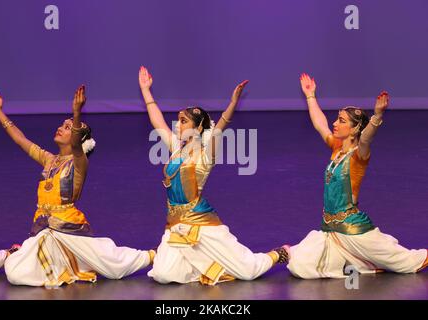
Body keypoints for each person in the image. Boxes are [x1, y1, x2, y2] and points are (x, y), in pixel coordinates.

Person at [0, 84, 154, 287]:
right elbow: (20, 140)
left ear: (79, 140)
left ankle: (153, 256)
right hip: (44, 229)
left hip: (70, 230)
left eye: (67, 127)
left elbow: (75, 145)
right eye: (63, 125)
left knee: (113, 266)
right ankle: (60, 263)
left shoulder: (79, 163)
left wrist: (76, 113)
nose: (61, 128)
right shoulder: (49, 160)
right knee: (15, 271)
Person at [138, 66, 288, 285]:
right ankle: (203, 264)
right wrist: (146, 90)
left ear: (198, 128)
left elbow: (220, 128)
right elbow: (157, 121)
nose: (178, 125)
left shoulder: (206, 153)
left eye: (184, 121)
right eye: (178, 120)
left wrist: (233, 103)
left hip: (202, 223)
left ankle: (277, 254)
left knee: (247, 271)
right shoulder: (176, 148)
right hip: (174, 223)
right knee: (163, 275)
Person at [285, 73, 427, 279]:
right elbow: (320, 124)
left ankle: (368, 257)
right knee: (300, 265)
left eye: (341, 121)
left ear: (354, 130)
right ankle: (359, 261)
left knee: (407, 262)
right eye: (337, 118)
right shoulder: (336, 148)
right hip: (331, 231)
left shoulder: (358, 156)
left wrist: (377, 115)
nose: (335, 123)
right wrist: (310, 96)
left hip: (355, 231)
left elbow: (367, 139)